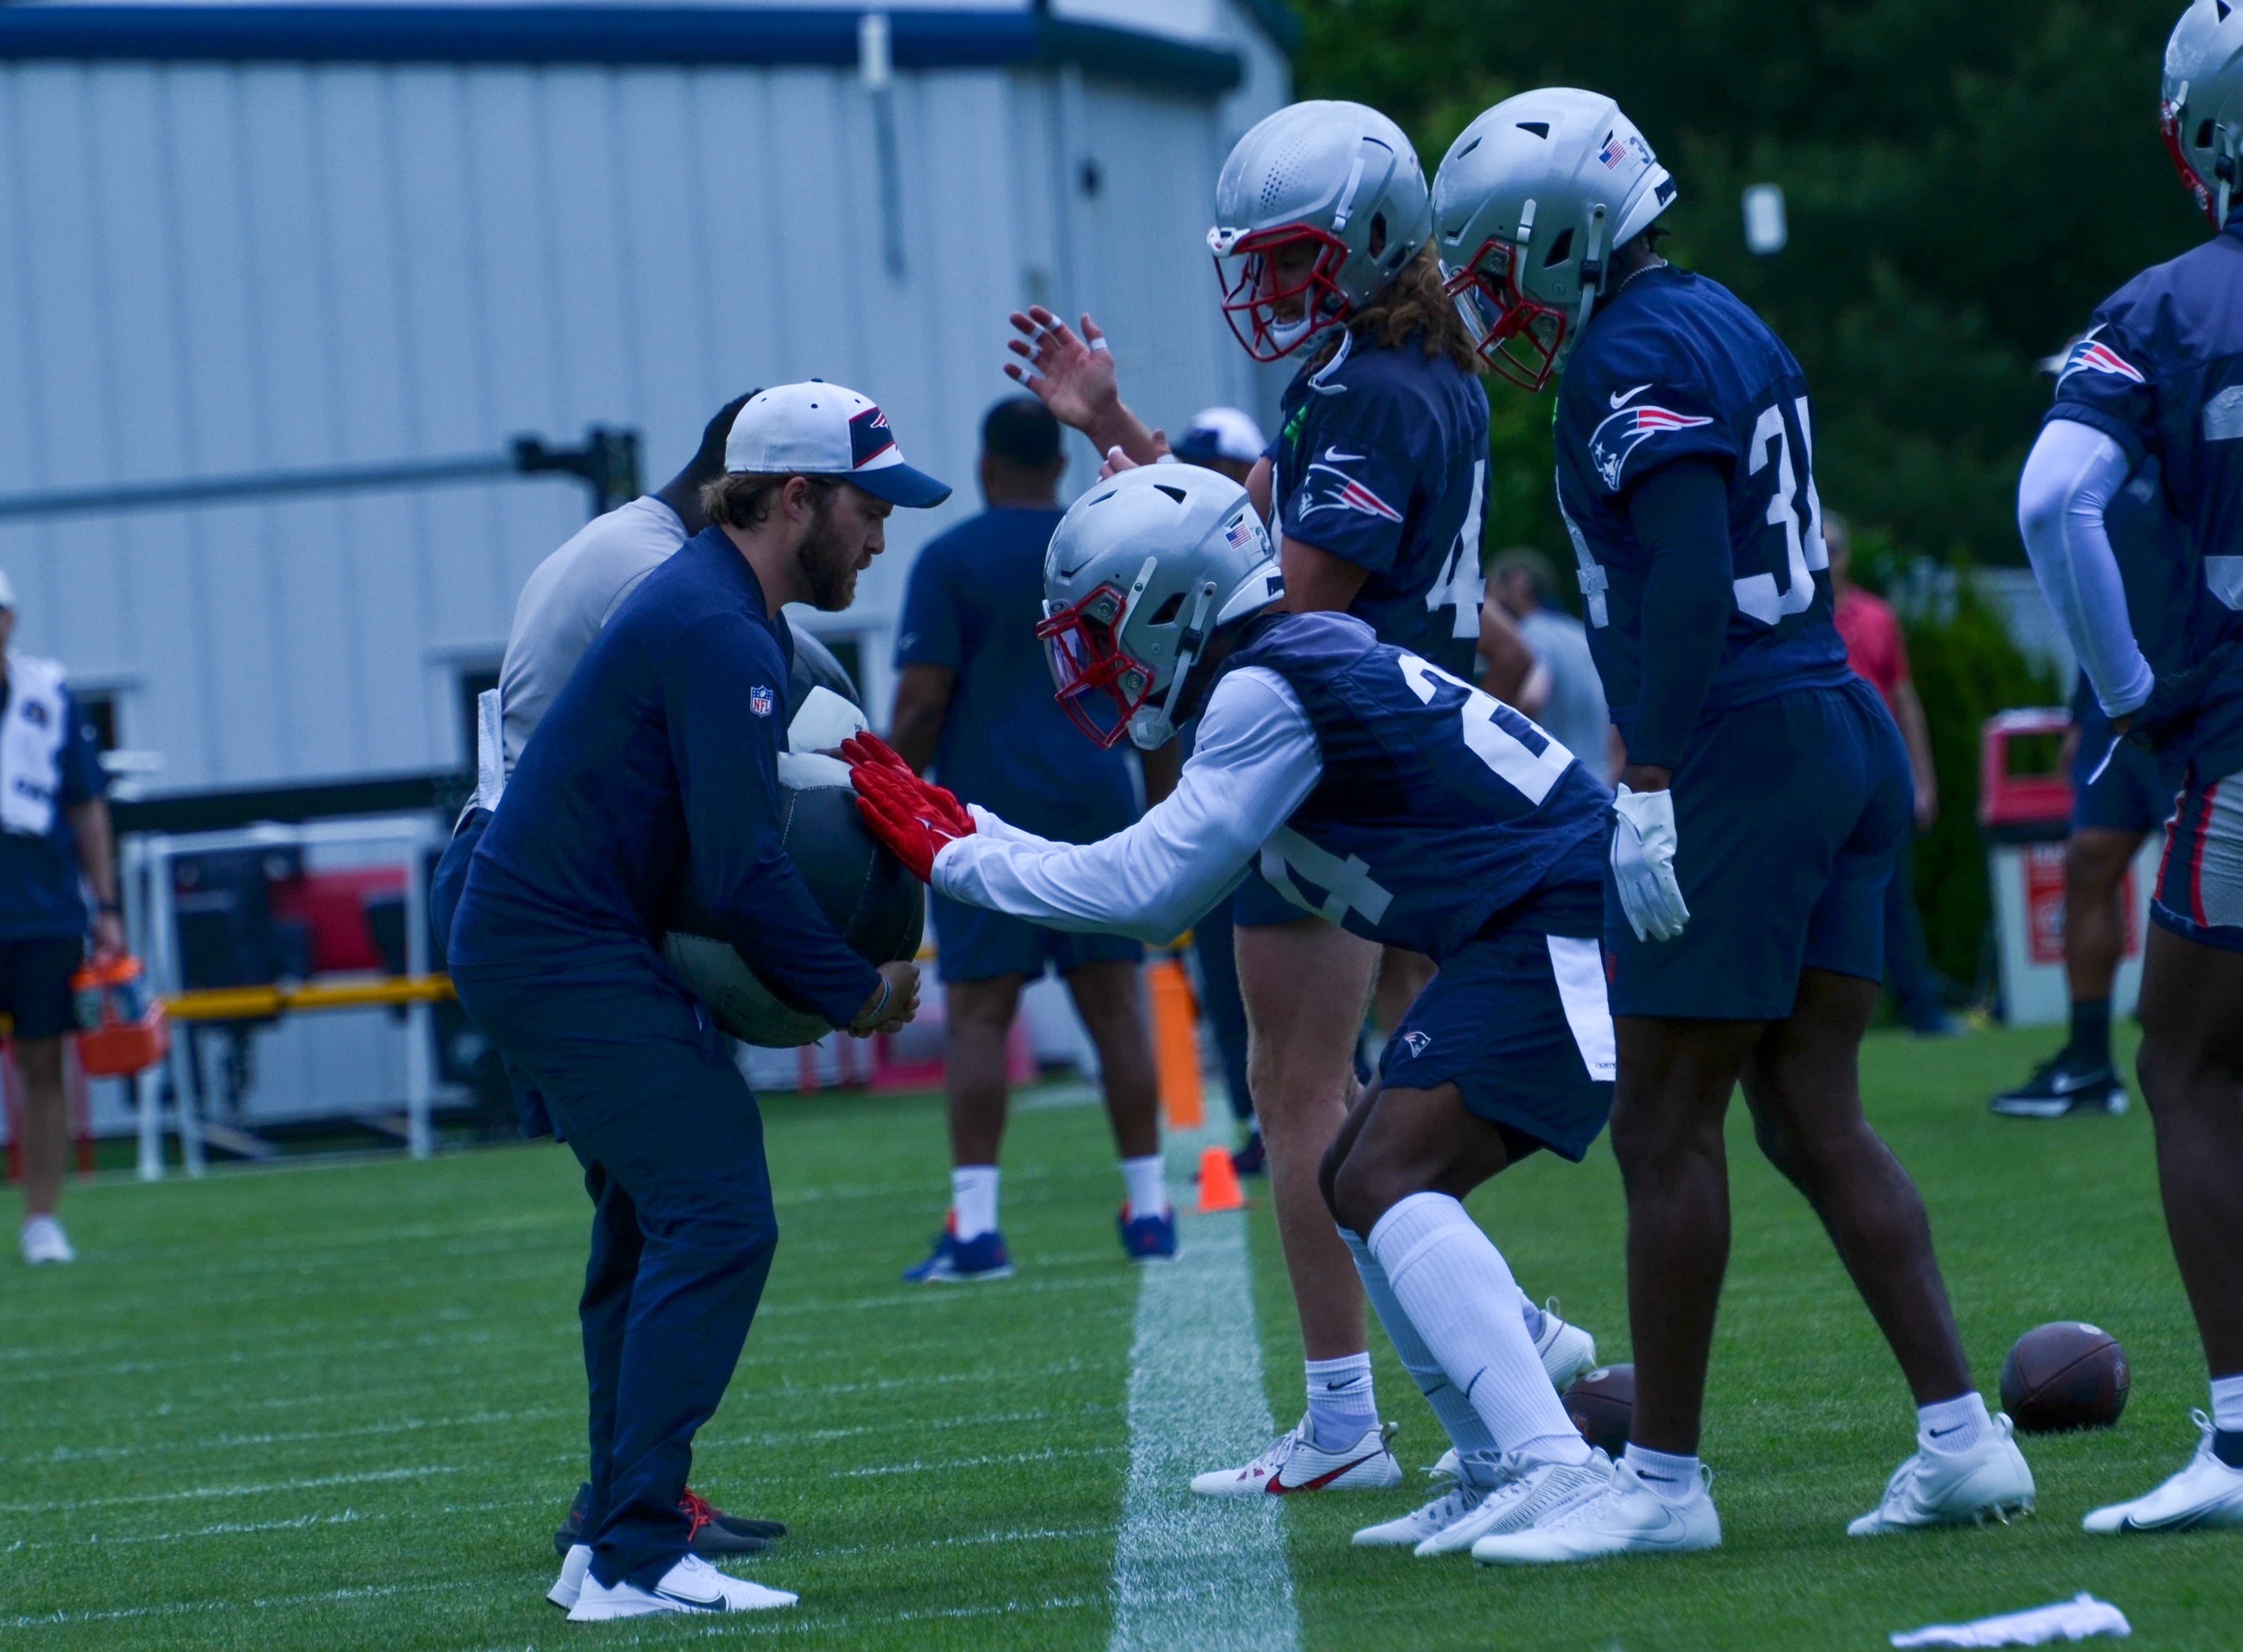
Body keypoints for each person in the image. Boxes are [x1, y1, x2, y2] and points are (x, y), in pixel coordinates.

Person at [1432, 89, 2034, 1566]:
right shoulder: (1716, 317)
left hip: (1741, 744)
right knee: (1811, 1113)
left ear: (1562, 233)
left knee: (1660, 1120)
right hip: (1821, 715)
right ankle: (1958, 1439)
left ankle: (1662, 1482)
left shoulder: (1625, 353)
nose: (1488, 298)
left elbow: (1691, 571)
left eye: (1494, 260)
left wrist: (1643, 777)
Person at [846, 463, 1616, 1545]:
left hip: (1559, 914)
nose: (1091, 658)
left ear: (1176, 604)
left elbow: (1147, 889)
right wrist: (964, 822)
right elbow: (1140, 866)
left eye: (1102, 627)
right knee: (1353, 1174)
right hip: (1533, 912)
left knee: (1386, 1173)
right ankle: (1500, 1460)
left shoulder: (1264, 687)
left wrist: (959, 856)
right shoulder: (1271, 670)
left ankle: (1557, 1464)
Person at [1004, 100, 1582, 1494]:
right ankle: (1496, 1336)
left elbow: (1259, 597)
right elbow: (1239, 539)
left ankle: (1351, 1415)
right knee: (1321, 1085)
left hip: (1337, 755)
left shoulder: (1370, 391)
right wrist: (1115, 428)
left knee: (1299, 1091)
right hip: (1385, 746)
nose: (1261, 287)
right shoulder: (1375, 367)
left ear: (1367, 242)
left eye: (1287, 257)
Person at [448, 382, 941, 1619]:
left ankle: (607, 1534)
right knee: (719, 1214)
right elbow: (742, 868)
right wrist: (856, 995)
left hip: (550, 933)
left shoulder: (717, 603)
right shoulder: (718, 623)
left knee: (649, 1224)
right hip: (557, 942)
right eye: (866, 506)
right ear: (793, 498)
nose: (880, 536)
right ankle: (632, 1555)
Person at [429, 391, 800, 1565]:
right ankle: (632, 1517)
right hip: (553, 894)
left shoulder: (634, 548)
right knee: (698, 1204)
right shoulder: (658, 567)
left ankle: (633, 1497)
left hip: (550, 884)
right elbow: (801, 687)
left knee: (650, 1210)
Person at [2013, 0, 2243, 1534]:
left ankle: (2235, 1433)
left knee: (2186, 1064)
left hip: (2236, 741)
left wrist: (2126, 692)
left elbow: (2052, 505)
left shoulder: (2168, 306)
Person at [887, 395, 1170, 1278]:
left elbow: (926, 701)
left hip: (986, 810)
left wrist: (888, 792)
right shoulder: (1105, 543)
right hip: (1094, 794)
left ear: (985, 467)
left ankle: (977, 1228)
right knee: (1115, 1007)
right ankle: (1153, 1209)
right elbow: (1156, 682)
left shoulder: (949, 560)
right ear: (1059, 463)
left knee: (978, 1012)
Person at [0, 573, 124, 1265]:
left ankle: (41, 1217)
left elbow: (86, 803)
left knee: (43, 1061)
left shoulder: (46, 694)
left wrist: (105, 906)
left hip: (40, 907)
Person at [1173, 404, 1270, 1173]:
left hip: (1282, 791)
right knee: (1224, 965)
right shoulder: (1177, 564)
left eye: (1218, 468)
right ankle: (1257, 1121)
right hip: (1209, 787)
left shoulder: (1280, 557)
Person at [1825, 512, 1959, 1036]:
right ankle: (1827, 1017)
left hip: (1877, 779)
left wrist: (1923, 783)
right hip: (1820, 782)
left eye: (1834, 547)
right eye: (1819, 548)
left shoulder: (1877, 616)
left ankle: (1919, 1007)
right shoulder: (1792, 619)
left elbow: (1905, 701)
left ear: (1847, 554)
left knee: (1892, 898)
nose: (1828, 557)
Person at [1487, 548, 1612, 776]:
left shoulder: (1532, 633)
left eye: (1493, 590)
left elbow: (1533, 696)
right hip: (1597, 782)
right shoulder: (1580, 634)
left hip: (1556, 786)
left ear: (1519, 583)